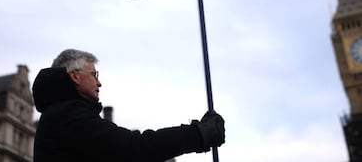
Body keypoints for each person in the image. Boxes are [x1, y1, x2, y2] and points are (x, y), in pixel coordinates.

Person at [32, 49, 225, 162]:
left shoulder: (61, 114)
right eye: (94, 75)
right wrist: (199, 134)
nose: (99, 83)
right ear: (75, 75)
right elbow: (134, 148)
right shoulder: (68, 115)